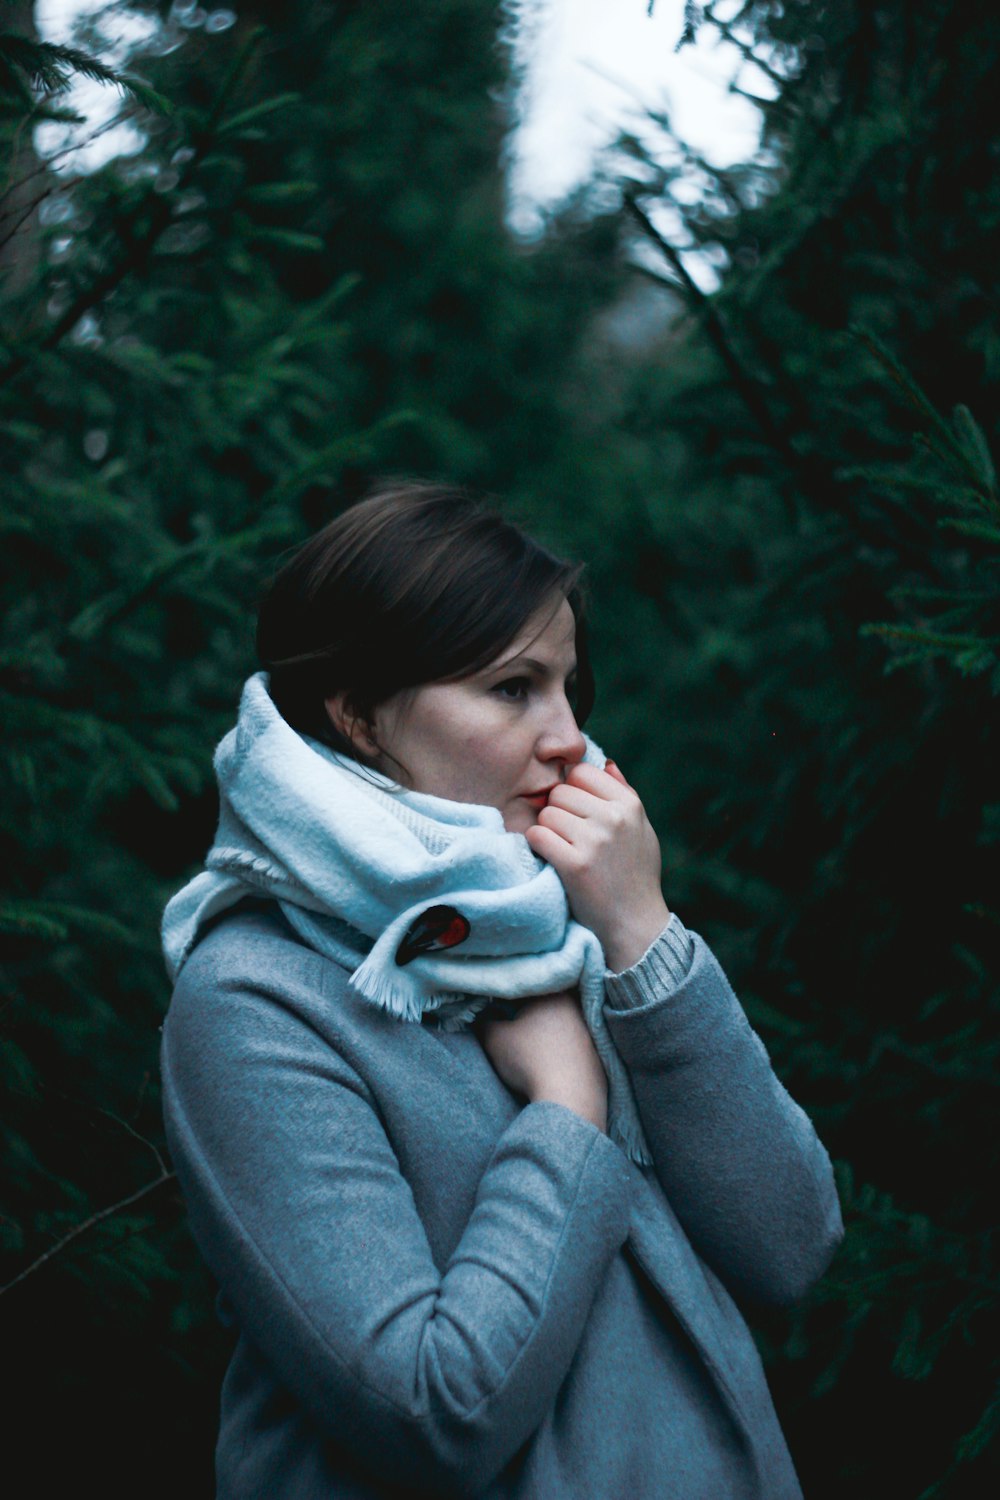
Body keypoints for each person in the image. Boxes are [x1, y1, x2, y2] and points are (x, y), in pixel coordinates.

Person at [159, 480, 844, 1500]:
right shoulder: (255, 1001)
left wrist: (640, 933)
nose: (568, 736)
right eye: (512, 688)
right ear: (357, 713)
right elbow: (434, 1413)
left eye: (570, 687)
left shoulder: (564, 921)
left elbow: (790, 1248)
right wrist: (568, 1114)